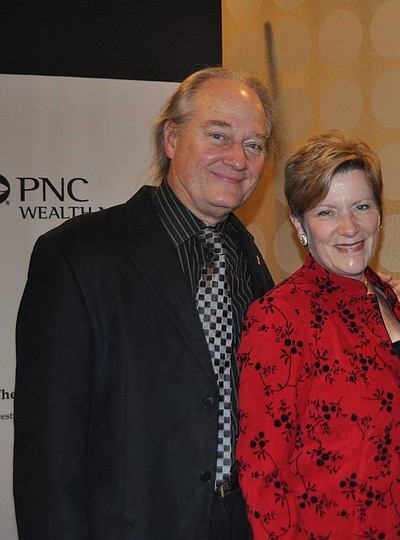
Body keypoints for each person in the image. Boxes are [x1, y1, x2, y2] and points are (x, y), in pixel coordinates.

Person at [14, 67, 281, 539]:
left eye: (254, 144)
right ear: (172, 139)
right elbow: (46, 459)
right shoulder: (77, 256)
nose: (238, 159)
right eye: (218, 135)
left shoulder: (252, 266)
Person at [236, 131, 400, 538]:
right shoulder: (279, 317)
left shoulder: (386, 296)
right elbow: (262, 474)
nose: (349, 227)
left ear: (380, 214)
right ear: (299, 224)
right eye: (326, 212)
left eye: (361, 207)